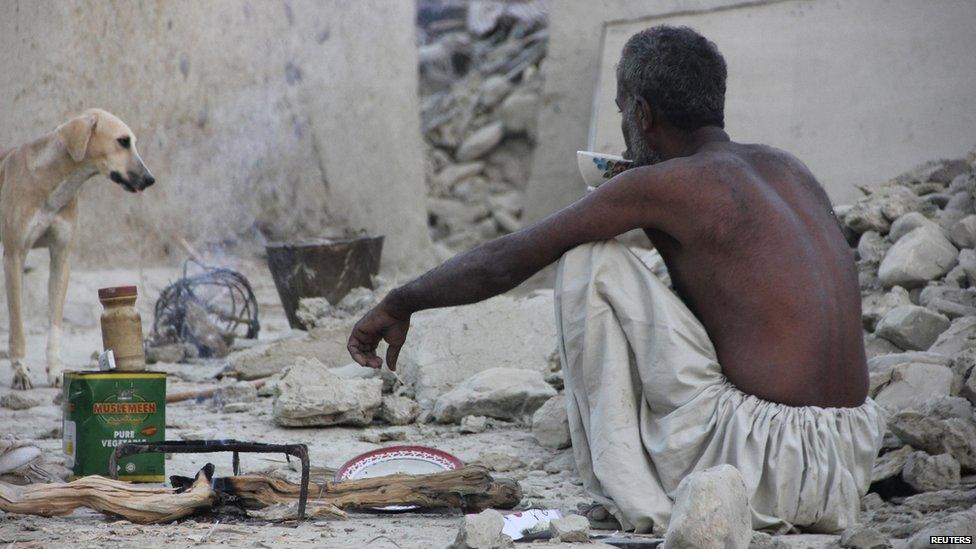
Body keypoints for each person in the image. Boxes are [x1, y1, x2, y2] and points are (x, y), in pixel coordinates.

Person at [348, 25, 885, 533]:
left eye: (622, 112)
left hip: (756, 474)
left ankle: (638, 499)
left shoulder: (664, 185)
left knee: (589, 259)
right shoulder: (788, 169)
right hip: (846, 468)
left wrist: (402, 301)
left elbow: (505, 261)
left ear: (642, 113)